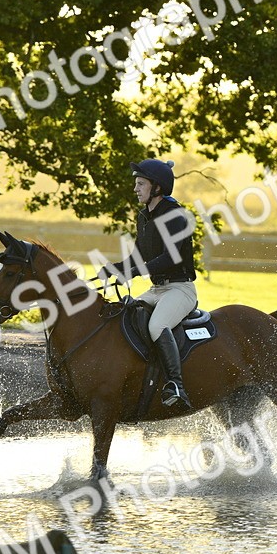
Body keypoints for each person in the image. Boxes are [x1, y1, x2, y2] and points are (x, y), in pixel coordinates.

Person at [100, 158, 197, 409]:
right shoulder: (144, 216)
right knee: (125, 316)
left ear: (157, 187)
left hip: (180, 289)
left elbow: (170, 258)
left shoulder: (175, 215)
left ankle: (176, 385)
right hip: (156, 290)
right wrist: (114, 269)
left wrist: (131, 273)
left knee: (157, 325)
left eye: (140, 184)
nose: (136, 189)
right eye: (136, 184)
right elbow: (138, 256)